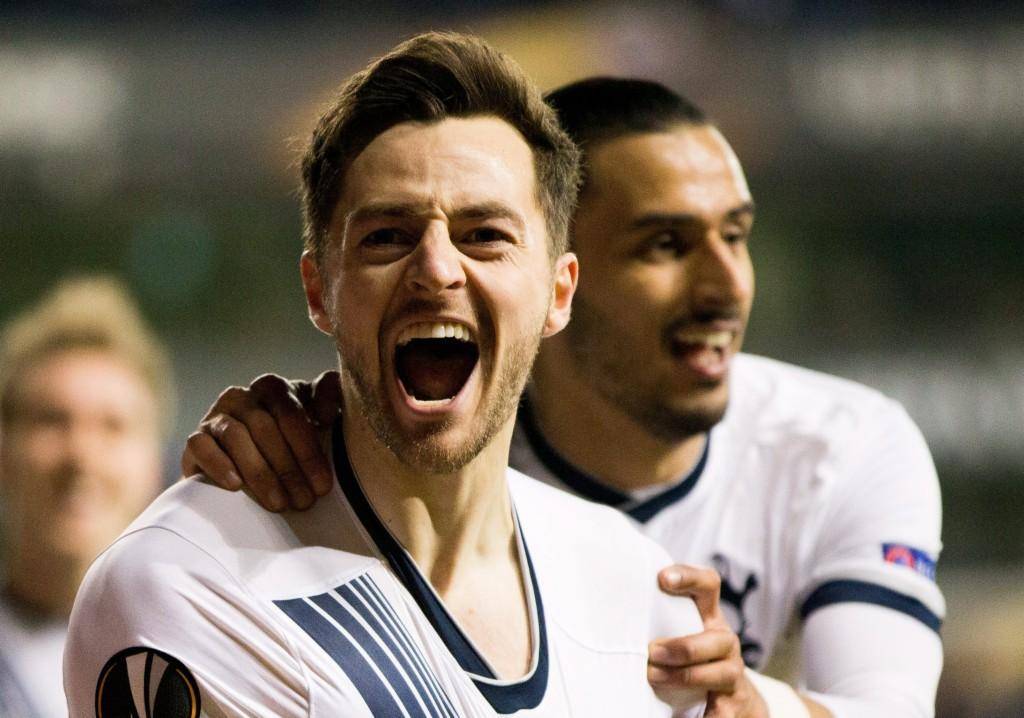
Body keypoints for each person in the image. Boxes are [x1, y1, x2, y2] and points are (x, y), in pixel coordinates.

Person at [186, 77, 946, 717]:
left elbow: (891, 707)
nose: (725, 288)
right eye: (665, 245)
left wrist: (758, 705)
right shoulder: (442, 437)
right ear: (554, 274)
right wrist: (253, 452)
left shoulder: (847, 445)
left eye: (736, 236)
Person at [64, 33, 708, 717]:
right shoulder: (189, 585)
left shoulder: (641, 597)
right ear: (319, 290)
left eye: (485, 235)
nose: (436, 268)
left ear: (559, 291)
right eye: (387, 237)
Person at [0, 277, 169, 717]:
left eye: (112, 426)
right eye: (53, 420)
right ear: (3, 453)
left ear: (153, 463)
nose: (82, 456)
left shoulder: (216, 662)